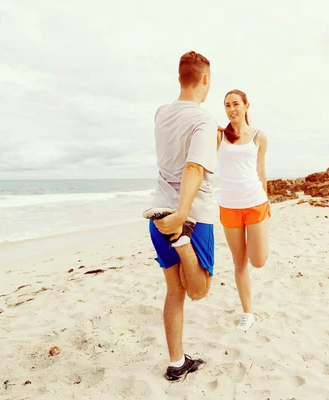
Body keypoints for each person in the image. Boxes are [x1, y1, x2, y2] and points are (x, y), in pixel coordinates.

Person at [142, 50, 218, 381]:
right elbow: (194, 166)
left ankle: (176, 363)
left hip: (157, 213)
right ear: (205, 79)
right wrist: (182, 217)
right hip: (191, 215)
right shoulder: (203, 119)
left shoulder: (161, 113)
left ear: (179, 78)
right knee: (199, 290)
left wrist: (170, 216)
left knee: (174, 290)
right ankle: (182, 240)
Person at [216, 89, 270, 331]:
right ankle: (248, 312)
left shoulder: (259, 136)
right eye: (227, 105)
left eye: (236, 103)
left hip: (256, 202)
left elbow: (261, 171)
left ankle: (258, 242)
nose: (231, 109)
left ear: (247, 105)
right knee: (239, 263)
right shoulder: (219, 136)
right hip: (229, 206)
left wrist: (267, 200)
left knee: (258, 261)